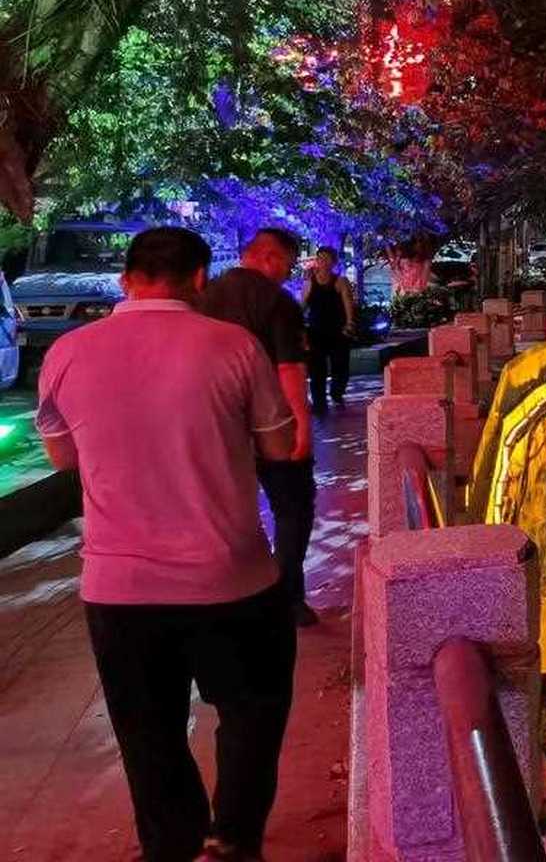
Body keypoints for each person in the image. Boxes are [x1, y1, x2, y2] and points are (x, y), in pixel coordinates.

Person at [36, 226, 297, 862]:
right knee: (251, 712)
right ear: (201, 278)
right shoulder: (233, 346)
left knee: (147, 734)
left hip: (120, 589)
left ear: (127, 280)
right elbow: (278, 445)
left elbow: (62, 455)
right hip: (230, 578)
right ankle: (231, 838)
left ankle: (172, 848)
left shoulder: (68, 353)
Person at [199, 228, 318, 629]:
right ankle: (287, 599)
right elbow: (288, 367)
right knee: (293, 508)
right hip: (272, 425)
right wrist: (302, 425)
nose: (288, 272)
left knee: (225, 512)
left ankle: (234, 598)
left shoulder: (204, 297)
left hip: (215, 424)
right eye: (287, 262)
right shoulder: (276, 301)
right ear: (268, 256)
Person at [304, 246, 358, 414]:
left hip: (337, 331)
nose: (322, 262)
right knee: (316, 369)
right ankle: (319, 403)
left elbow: (348, 303)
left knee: (340, 366)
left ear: (333, 262)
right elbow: (303, 303)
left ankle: (337, 392)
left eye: (327, 258)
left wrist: (349, 324)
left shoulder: (340, 281)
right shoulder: (309, 281)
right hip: (316, 331)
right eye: (320, 258)